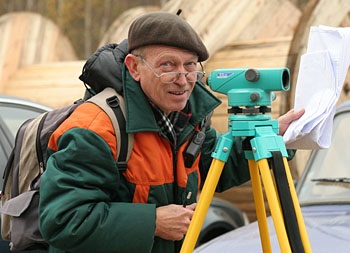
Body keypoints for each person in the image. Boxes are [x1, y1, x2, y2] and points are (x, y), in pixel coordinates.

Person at [38, 11, 305, 253]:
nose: (182, 78)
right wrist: (152, 222)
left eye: (190, 65)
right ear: (134, 67)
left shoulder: (190, 119)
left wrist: (273, 138)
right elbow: (62, 220)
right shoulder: (95, 128)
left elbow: (214, 169)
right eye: (167, 65)